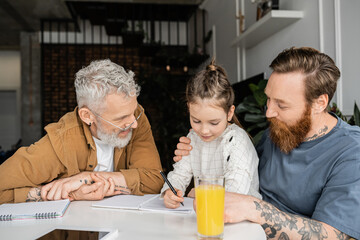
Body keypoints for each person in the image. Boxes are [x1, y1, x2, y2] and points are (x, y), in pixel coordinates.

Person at [174, 47, 360, 239]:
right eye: (268, 99)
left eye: (281, 104)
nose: (269, 112)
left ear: (319, 103)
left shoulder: (351, 151)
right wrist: (198, 151)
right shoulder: (277, 132)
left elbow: (334, 235)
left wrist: (254, 209)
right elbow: (239, 173)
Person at [0, 59, 164, 204]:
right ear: (87, 116)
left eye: (133, 112)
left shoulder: (136, 118)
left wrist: (84, 179)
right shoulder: (61, 141)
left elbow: (155, 181)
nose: (134, 124)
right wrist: (65, 193)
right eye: (120, 118)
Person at [161, 59, 261, 209]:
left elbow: (235, 191)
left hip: (242, 217)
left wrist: (200, 193)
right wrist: (170, 191)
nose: (204, 130)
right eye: (196, 121)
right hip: (209, 212)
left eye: (213, 123)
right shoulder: (192, 138)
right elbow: (179, 174)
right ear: (189, 108)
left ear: (230, 113)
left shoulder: (237, 141)